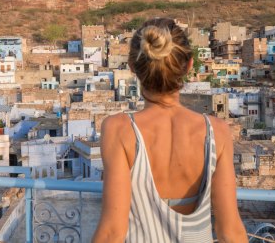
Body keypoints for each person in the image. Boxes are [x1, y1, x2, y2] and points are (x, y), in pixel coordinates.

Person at [92, 18, 247, 242]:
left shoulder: (119, 130)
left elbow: (112, 232)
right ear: (189, 65)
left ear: (133, 66)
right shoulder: (217, 131)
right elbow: (230, 232)